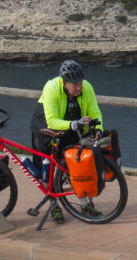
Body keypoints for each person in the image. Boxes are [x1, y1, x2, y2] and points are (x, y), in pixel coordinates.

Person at [30, 60, 104, 223]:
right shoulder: (52, 88)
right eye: (74, 84)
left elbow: (95, 112)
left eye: (80, 83)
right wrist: (73, 124)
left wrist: (98, 129)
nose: (78, 88)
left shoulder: (87, 88)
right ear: (64, 82)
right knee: (45, 171)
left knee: (76, 166)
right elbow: (51, 121)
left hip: (71, 127)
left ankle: (85, 205)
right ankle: (54, 206)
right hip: (45, 128)